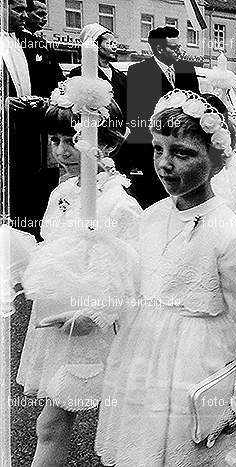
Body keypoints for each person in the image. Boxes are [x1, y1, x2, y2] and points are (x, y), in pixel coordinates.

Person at [95, 91, 236, 465]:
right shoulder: (152, 216)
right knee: (150, 447)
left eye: (182, 153)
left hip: (206, 360)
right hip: (149, 355)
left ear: (216, 155)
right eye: (159, 150)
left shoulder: (230, 233)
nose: (165, 164)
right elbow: (137, 288)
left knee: (201, 451)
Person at [15, 89, 141, 467]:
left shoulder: (120, 202)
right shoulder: (62, 192)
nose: (62, 150)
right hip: (58, 319)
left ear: (108, 142)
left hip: (97, 328)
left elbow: (133, 273)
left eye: (73, 139)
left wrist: (97, 314)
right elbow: (53, 245)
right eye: (55, 140)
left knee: (109, 421)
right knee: (52, 422)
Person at [2, 0, 64, 236]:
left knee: (33, 187)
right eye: (18, 10)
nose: (25, 16)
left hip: (28, 127)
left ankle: (33, 234)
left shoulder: (24, 42)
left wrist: (41, 99)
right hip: (6, 131)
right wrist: (4, 103)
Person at [124, 26, 200, 208]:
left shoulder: (186, 69)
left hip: (182, 143)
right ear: (159, 49)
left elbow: (196, 102)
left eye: (178, 46)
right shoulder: (139, 71)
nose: (179, 51)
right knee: (154, 195)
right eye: (174, 47)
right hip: (152, 145)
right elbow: (136, 113)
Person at [69, 24, 127, 122]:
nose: (114, 48)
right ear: (96, 45)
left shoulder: (121, 76)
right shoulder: (80, 73)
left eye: (114, 44)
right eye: (109, 43)